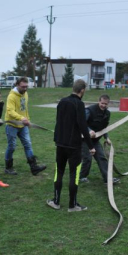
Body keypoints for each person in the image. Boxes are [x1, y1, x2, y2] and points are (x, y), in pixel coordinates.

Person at [47, 79, 95, 212]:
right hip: (73, 146)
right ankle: (72, 205)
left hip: (60, 144)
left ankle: (55, 201)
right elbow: (83, 126)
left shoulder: (62, 102)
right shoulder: (79, 104)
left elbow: (59, 122)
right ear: (82, 90)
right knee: (74, 173)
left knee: (60, 171)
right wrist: (91, 146)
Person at [4, 77, 46, 176]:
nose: (25, 89)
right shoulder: (11, 96)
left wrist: (27, 119)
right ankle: (8, 167)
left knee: (27, 144)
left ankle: (34, 167)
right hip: (12, 125)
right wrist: (21, 118)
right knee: (12, 146)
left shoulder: (25, 94)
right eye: (23, 87)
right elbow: (10, 111)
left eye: (26, 86)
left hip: (23, 125)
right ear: (17, 85)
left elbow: (24, 109)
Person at [79, 94, 120, 185]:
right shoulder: (89, 110)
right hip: (85, 139)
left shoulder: (107, 113)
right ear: (99, 101)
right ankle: (82, 176)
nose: (103, 105)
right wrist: (89, 131)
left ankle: (107, 179)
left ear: (108, 104)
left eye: (105, 104)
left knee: (101, 157)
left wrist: (107, 137)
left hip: (95, 140)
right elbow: (82, 123)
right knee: (87, 158)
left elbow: (104, 127)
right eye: (102, 103)